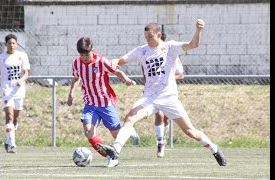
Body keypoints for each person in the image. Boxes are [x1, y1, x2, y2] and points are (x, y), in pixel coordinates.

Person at [97, 19, 227, 167]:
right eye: (146, 37)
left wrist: (198, 30)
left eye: (150, 37)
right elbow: (121, 60)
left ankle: (214, 148)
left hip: (169, 98)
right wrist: (114, 61)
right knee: (130, 118)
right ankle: (115, 151)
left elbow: (193, 45)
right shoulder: (141, 50)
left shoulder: (170, 47)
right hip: (150, 98)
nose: (148, 40)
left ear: (159, 35)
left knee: (190, 131)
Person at [66, 37, 139, 167]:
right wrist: (71, 93)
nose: (85, 58)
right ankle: (111, 156)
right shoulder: (76, 63)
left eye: (87, 54)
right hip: (90, 104)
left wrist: (126, 80)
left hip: (106, 103)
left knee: (116, 134)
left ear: (92, 50)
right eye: (82, 55)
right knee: (88, 131)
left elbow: (116, 71)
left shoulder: (101, 61)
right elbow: (77, 78)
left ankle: (128, 131)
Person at [149, 32, 184, 158]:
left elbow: (181, 75)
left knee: (167, 118)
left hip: (168, 92)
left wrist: (166, 78)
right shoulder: (149, 54)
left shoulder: (172, 55)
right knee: (159, 115)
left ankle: (162, 138)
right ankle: (160, 143)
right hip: (153, 92)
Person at [0, 34, 30, 153]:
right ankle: (12, 144)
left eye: (13, 43)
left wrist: (20, 80)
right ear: (6, 44)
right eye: (9, 43)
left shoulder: (22, 56)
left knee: (15, 118)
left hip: (19, 91)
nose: (11, 45)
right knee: (9, 116)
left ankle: (8, 140)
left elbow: (26, 73)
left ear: (16, 44)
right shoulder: (1, 58)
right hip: (7, 90)